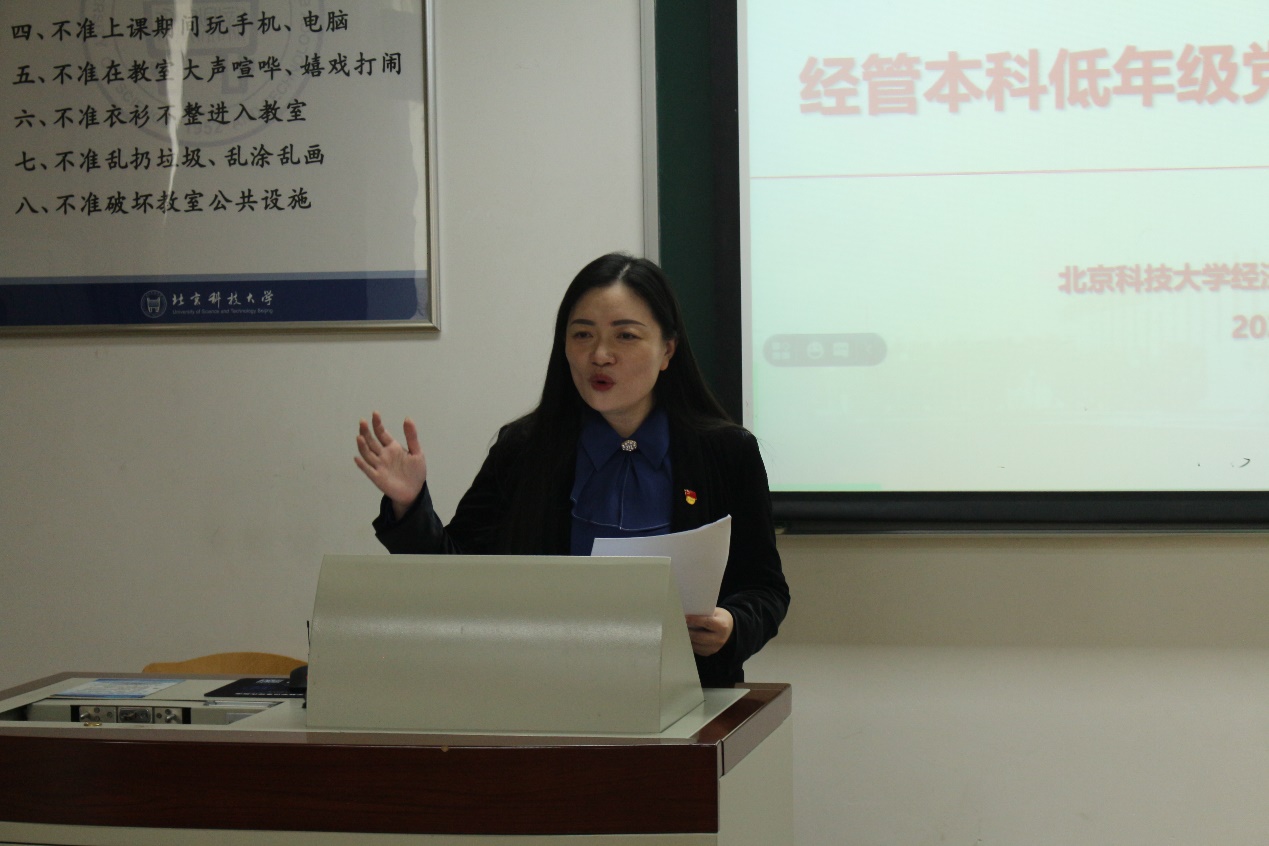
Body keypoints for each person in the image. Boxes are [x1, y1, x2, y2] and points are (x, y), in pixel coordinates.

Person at [355, 253, 788, 687]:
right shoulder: (525, 450)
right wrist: (410, 504)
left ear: (667, 351)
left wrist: (732, 625)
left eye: (625, 336)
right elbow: (456, 580)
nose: (600, 355)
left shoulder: (725, 453)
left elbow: (764, 588)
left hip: (686, 696)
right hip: (544, 691)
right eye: (583, 335)